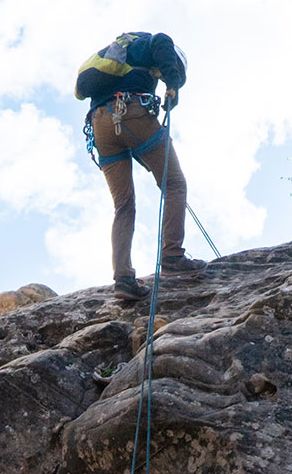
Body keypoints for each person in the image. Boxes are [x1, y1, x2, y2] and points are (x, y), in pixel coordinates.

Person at [75, 31, 207, 300]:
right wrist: (173, 84)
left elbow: (121, 134)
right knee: (174, 183)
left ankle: (123, 279)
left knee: (123, 205)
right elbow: (163, 44)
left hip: (100, 127)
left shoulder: (117, 58)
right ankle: (172, 255)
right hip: (131, 111)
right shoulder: (154, 42)